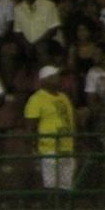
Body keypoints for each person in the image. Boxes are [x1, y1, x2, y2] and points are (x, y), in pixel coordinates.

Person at [24, 65, 76, 193]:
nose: (58, 79)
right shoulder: (36, 99)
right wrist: (32, 146)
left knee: (66, 185)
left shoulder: (64, 97)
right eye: (54, 77)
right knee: (51, 185)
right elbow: (31, 126)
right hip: (49, 148)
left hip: (67, 146)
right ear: (44, 80)